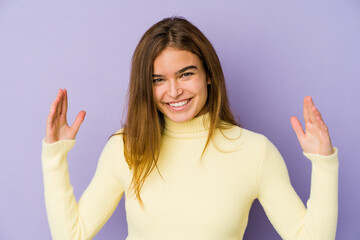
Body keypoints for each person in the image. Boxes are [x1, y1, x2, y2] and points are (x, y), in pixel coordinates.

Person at [42, 17, 339, 240]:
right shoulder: (125, 148)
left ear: (208, 74)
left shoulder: (254, 151)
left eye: (185, 74)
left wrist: (324, 163)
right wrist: (54, 157)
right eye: (158, 79)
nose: (173, 91)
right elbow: (72, 235)